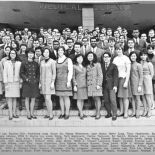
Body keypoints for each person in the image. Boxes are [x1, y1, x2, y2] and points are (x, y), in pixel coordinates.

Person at [20, 48, 40, 119]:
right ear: (27, 54)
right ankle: (28, 113)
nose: (30, 54)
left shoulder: (36, 63)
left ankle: (32, 113)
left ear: (33, 54)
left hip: (34, 83)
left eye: (32, 53)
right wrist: (26, 78)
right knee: (27, 98)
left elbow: (38, 73)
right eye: (29, 53)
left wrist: (36, 80)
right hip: (26, 83)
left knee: (33, 98)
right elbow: (21, 73)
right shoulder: (23, 62)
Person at [113, 45, 132, 118]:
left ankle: (126, 112)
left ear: (122, 50)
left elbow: (128, 71)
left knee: (125, 97)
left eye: (120, 49)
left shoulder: (126, 58)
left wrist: (126, 81)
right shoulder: (115, 59)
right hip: (117, 79)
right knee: (120, 97)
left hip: (124, 79)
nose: (118, 51)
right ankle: (121, 111)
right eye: (117, 49)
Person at [55, 46, 73, 119]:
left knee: (66, 97)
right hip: (58, 81)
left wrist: (69, 81)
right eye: (59, 50)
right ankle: (62, 112)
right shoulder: (56, 60)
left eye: (61, 50)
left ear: (64, 51)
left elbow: (70, 71)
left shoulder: (68, 60)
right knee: (60, 97)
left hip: (66, 80)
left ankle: (67, 113)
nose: (60, 51)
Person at [3, 49, 21, 120]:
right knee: (9, 98)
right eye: (11, 53)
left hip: (16, 82)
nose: (12, 54)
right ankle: (10, 114)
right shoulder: (6, 63)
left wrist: (21, 83)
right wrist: (6, 83)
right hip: (9, 82)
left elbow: (20, 74)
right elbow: (5, 74)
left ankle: (14, 113)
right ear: (9, 54)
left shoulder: (19, 63)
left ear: (16, 54)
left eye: (14, 53)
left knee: (15, 98)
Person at [101, 52, 118, 121]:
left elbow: (115, 76)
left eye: (107, 57)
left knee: (113, 100)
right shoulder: (101, 65)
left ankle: (114, 114)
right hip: (104, 86)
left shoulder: (114, 65)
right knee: (106, 100)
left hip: (111, 86)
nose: (106, 58)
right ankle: (109, 113)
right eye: (104, 57)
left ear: (110, 58)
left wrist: (115, 85)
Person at [85, 52, 103, 119]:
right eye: (88, 56)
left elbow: (100, 75)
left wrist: (99, 84)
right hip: (90, 85)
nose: (90, 57)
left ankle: (98, 113)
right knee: (94, 99)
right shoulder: (87, 65)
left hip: (96, 84)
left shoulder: (97, 64)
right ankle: (96, 112)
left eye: (91, 56)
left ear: (94, 57)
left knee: (97, 98)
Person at [40, 48, 56, 120]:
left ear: (49, 53)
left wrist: (53, 82)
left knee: (48, 98)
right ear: (43, 53)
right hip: (43, 82)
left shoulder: (52, 61)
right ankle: (48, 113)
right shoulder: (42, 62)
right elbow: (40, 73)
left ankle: (51, 114)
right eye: (44, 52)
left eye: (47, 52)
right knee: (45, 99)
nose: (46, 53)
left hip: (49, 82)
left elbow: (54, 73)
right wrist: (40, 83)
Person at [73, 54, 88, 119]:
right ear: (76, 59)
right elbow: (73, 77)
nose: (80, 59)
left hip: (84, 85)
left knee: (82, 99)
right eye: (78, 58)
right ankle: (81, 113)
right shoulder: (74, 66)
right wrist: (74, 85)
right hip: (78, 85)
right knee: (79, 99)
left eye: (81, 58)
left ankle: (80, 111)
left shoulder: (84, 66)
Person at [140, 49, 154, 117]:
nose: (143, 56)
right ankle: (145, 109)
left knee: (147, 96)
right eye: (142, 55)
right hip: (141, 80)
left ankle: (149, 110)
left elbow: (152, 74)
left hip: (147, 79)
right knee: (143, 96)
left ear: (147, 56)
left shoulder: (149, 63)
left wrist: (148, 80)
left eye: (145, 55)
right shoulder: (140, 63)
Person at [129, 51, 143, 118]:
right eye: (132, 56)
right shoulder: (129, 64)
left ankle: (138, 112)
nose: (133, 57)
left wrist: (140, 85)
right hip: (131, 84)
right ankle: (134, 111)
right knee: (132, 99)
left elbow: (141, 76)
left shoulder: (139, 65)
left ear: (136, 57)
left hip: (137, 84)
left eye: (134, 56)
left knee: (137, 98)